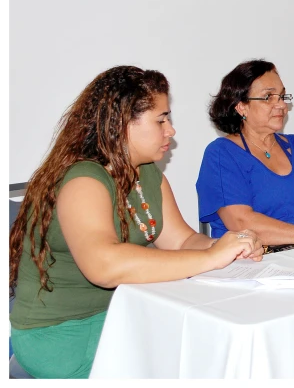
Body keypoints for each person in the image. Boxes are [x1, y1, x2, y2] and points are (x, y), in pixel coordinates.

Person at [9, 66, 263, 379]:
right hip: (61, 335)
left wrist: (228, 246)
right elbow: (104, 266)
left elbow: (181, 241)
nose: (170, 130)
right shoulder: (83, 180)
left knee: (218, 354)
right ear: (123, 123)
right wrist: (210, 257)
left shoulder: (146, 173)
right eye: (161, 120)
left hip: (122, 314)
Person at [196, 60, 294, 245]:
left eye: (282, 96)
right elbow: (241, 223)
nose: (281, 105)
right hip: (251, 261)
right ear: (241, 106)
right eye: (268, 97)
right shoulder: (221, 154)